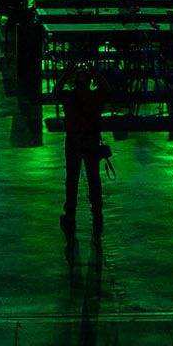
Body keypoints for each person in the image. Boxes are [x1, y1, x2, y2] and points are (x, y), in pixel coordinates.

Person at [60, 68, 105, 233]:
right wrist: (96, 73)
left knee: (72, 178)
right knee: (93, 178)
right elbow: (107, 89)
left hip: (73, 140)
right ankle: (97, 211)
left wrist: (66, 74)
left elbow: (55, 92)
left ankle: (70, 213)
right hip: (91, 140)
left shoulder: (69, 97)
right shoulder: (95, 97)